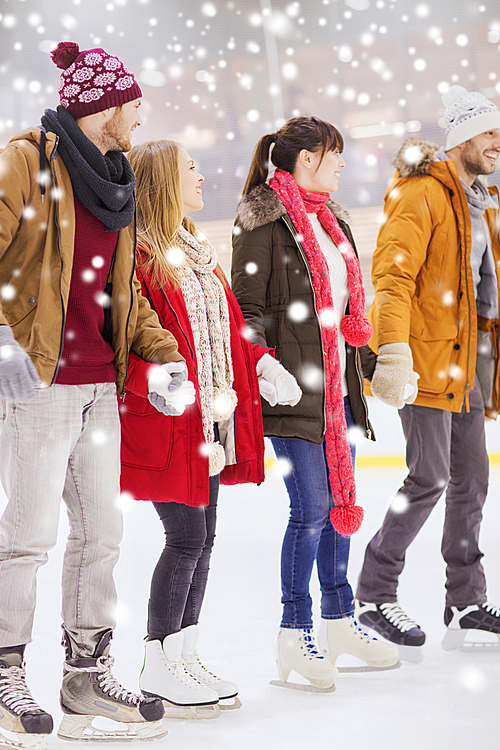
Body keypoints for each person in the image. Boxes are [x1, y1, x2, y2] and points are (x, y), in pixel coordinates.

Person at [0, 41, 193, 746]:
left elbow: (125, 294)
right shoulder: (25, 160)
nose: (139, 119)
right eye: (134, 105)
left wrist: (163, 356)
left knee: (101, 535)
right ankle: (4, 672)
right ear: (104, 106)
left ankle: (85, 676)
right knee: (27, 538)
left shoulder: (117, 181)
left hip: (98, 384)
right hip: (39, 379)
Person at [231, 116, 399, 692]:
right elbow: (246, 312)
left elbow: (344, 321)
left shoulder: (334, 223)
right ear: (307, 159)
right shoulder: (262, 223)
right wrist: (262, 365)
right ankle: (293, 630)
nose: (342, 165)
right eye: (335, 155)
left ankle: (339, 619)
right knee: (309, 511)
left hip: (340, 395)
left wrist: (377, 369)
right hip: (294, 394)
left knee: (340, 512)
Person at [120, 140, 267, 717]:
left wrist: (263, 364)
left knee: (201, 541)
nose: (202, 176)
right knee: (184, 539)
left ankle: (184, 653)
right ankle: (159, 665)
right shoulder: (141, 256)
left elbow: (230, 332)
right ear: (162, 182)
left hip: (208, 421)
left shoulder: (198, 253)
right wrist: (160, 381)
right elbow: (129, 340)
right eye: (191, 168)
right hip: (168, 422)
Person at [356, 86, 500, 655]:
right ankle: (373, 592)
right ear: (461, 138)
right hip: (425, 358)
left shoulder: (479, 199)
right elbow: (393, 280)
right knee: (430, 477)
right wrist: (393, 353)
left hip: (467, 362)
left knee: (472, 481)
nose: (498, 142)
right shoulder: (420, 194)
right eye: (489, 133)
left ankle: (464, 598)